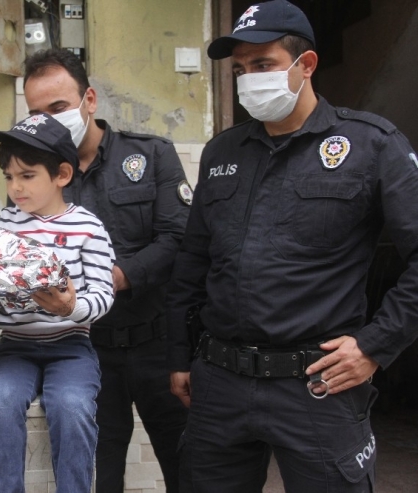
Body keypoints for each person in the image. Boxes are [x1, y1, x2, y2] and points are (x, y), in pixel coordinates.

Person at [166, 1, 418, 491]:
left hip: (318, 384)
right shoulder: (224, 151)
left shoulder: (370, 145)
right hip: (219, 381)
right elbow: (192, 262)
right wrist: (179, 355)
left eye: (263, 65)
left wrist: (375, 346)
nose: (248, 79)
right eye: (240, 69)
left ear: (307, 65)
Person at [22, 49, 190, 492]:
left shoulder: (151, 155)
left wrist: (117, 277)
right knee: (100, 474)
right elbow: (21, 254)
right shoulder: (34, 175)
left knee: (187, 467)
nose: (50, 122)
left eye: (58, 108)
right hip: (88, 352)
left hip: (159, 344)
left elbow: (178, 239)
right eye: (37, 113)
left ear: (89, 100)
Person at [0, 113, 115, 492]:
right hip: (14, 348)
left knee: (72, 407)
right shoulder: (4, 225)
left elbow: (104, 295)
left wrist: (70, 309)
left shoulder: (88, 228)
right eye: (8, 176)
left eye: (27, 175)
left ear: (62, 175)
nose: (16, 187)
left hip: (71, 347)